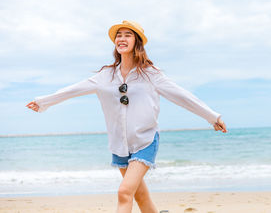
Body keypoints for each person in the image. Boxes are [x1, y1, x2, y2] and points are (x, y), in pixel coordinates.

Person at [26, 20, 227, 213]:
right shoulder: (105, 76)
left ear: (137, 41)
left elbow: (182, 96)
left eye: (127, 35)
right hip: (119, 144)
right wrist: (43, 102)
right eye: (118, 36)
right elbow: (74, 89)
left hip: (145, 141)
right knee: (140, 197)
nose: (121, 39)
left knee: (124, 192)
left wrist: (212, 117)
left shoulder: (150, 74)